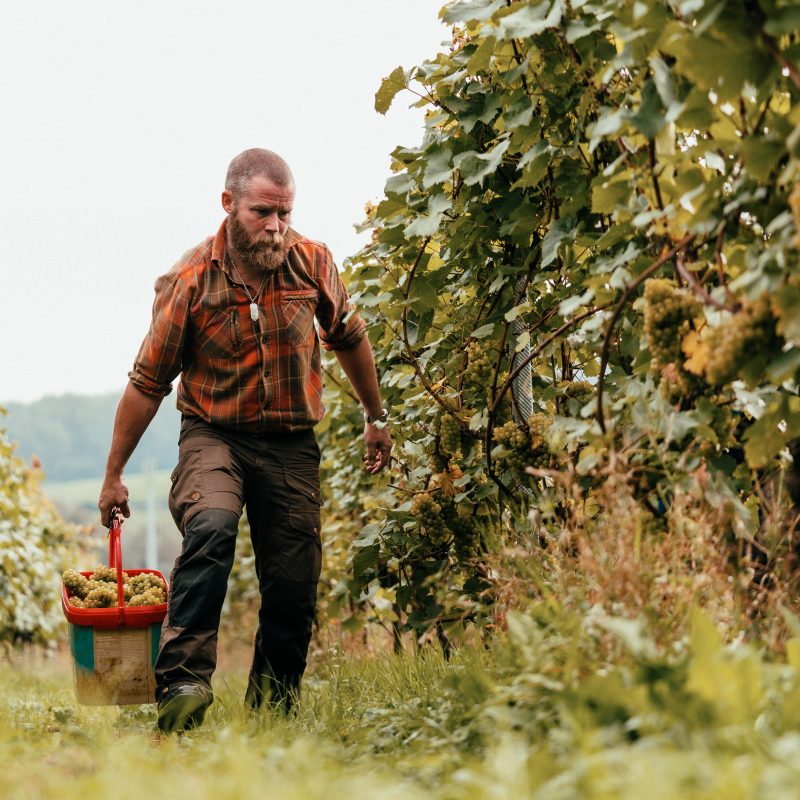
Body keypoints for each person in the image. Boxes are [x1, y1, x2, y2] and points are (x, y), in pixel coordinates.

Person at [97, 148, 392, 733]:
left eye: (285, 212)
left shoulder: (313, 262)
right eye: (263, 212)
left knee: (294, 576)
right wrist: (112, 474)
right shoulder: (189, 283)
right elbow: (147, 383)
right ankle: (182, 684)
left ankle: (273, 712)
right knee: (210, 528)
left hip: (290, 441)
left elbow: (349, 337)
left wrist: (375, 416)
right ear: (228, 204)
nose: (276, 226)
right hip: (215, 435)